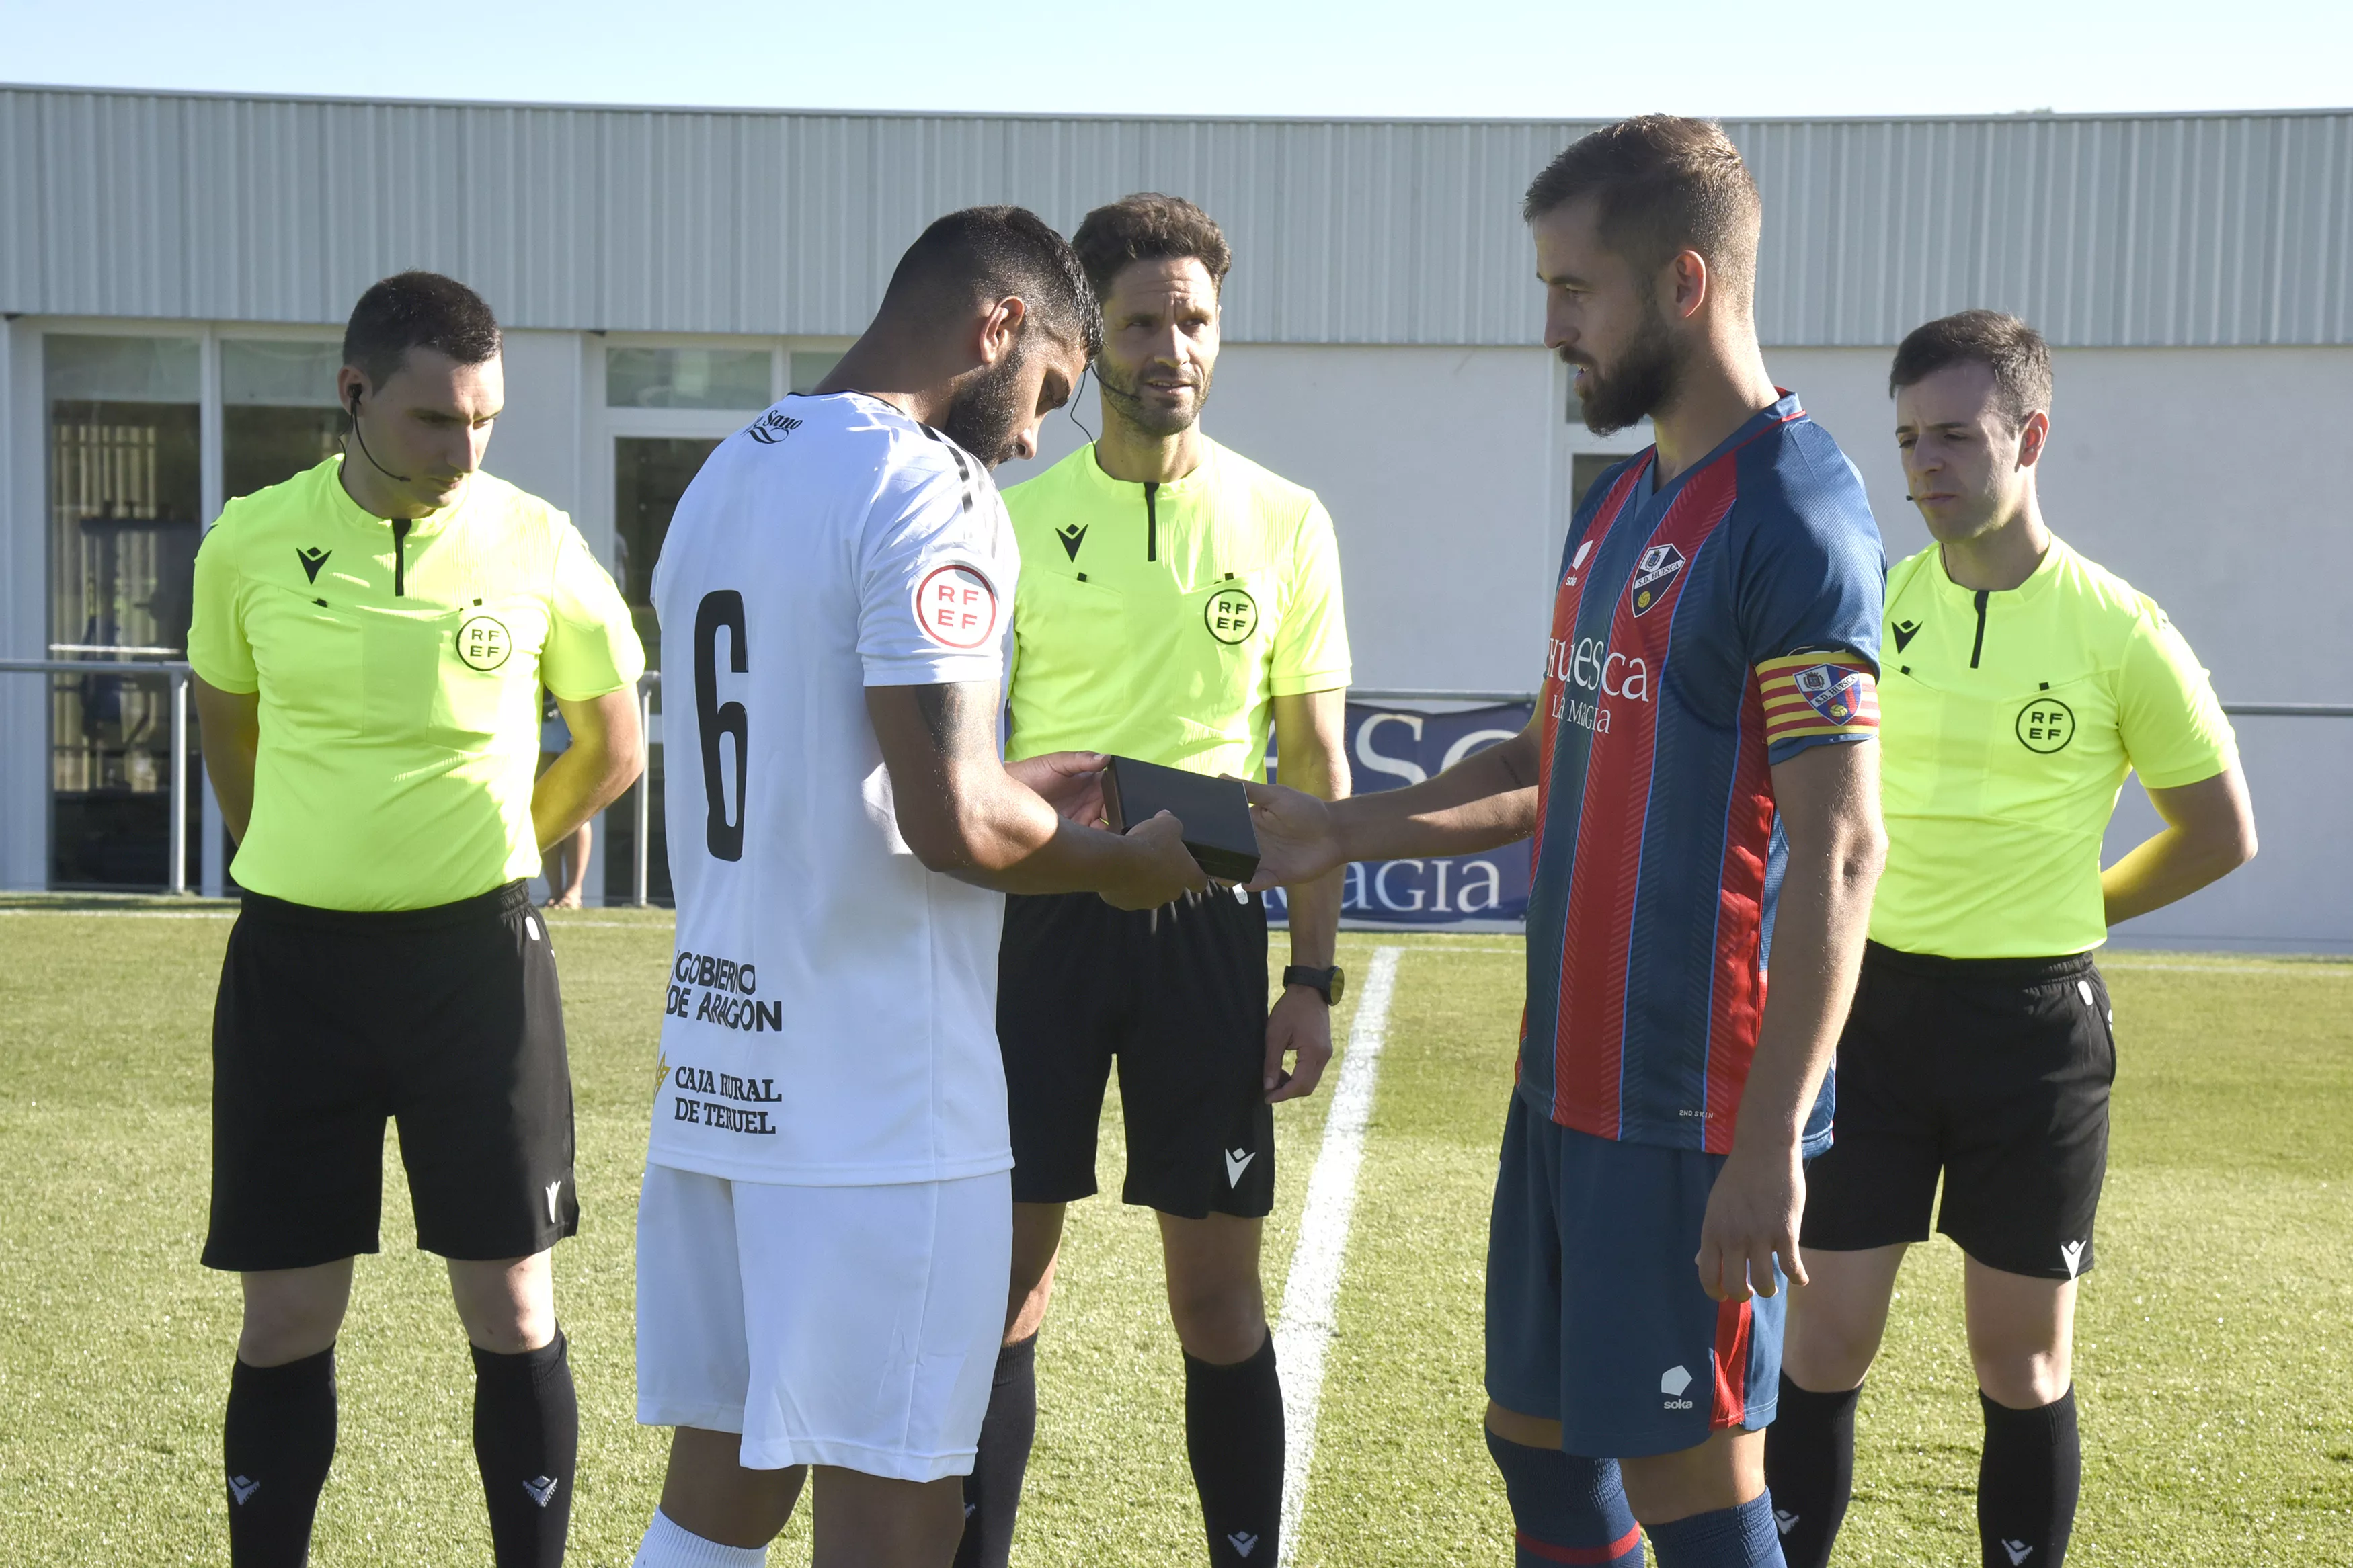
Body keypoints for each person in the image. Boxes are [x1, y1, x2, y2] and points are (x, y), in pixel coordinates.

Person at [1242, 116, 1888, 1568]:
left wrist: (1770, 1137)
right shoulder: (1614, 507)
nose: (1548, 328)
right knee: (1537, 1446)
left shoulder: (1798, 521)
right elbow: (1546, 761)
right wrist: (1339, 827)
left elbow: (1844, 849)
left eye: (1570, 290)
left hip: (1689, 1112)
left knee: (1695, 1486)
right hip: (1564, 1090)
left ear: (1679, 282)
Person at [627, 205, 1210, 1568]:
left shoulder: (725, 471)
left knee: (713, 1499)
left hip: (718, 1076)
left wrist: (1020, 782)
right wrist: (1113, 866)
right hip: (874, 1097)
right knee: (892, 1508)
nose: (1026, 441)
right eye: (1048, 393)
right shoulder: (928, 487)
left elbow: (848, 764)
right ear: (995, 327)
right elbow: (947, 819)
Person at [1763, 311, 2257, 1568]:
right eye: (1909, 439)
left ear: (2030, 437)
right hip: (1865, 1015)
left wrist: (2083, 907)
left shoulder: (2121, 628)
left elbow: (2219, 830)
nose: (1926, 464)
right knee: (1824, 1342)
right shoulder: (1870, 604)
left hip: (2033, 1036)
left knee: (2021, 1360)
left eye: (1957, 437)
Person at [188, 270, 647, 1568]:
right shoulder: (249, 542)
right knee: (283, 1321)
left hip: (476, 969)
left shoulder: (538, 539)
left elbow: (614, 742)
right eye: (439, 419)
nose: (467, 448)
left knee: (511, 1304)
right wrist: (281, 847)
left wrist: (527, 830)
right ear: (354, 396)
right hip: (295, 967)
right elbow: (232, 729)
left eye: (486, 419)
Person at [954, 192, 1354, 1568]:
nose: (1172, 344)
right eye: (1141, 320)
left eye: (1195, 319)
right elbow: (963, 751)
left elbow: (1313, 763)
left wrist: (1309, 974)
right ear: (1093, 339)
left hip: (1209, 933)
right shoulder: (1004, 517)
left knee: (1216, 1298)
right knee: (1006, 1282)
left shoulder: (1288, 518)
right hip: (1045, 915)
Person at [538, 696, 594, 907]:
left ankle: (573, 891)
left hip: (572, 707)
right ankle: (555, 891)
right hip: (541, 707)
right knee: (544, 805)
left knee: (576, 807)